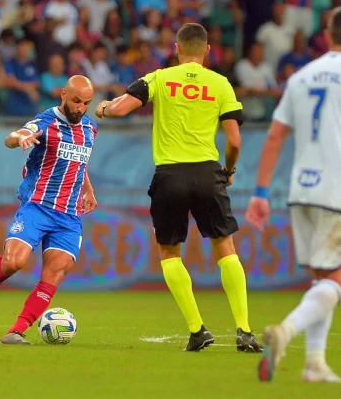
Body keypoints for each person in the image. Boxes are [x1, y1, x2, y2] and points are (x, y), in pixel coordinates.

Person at [246, 6, 341, 383]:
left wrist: (260, 192)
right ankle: (285, 331)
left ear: (327, 35)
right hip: (339, 192)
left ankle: (314, 364)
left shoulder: (301, 76)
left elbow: (275, 136)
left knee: (321, 280)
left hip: (301, 192)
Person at [93, 23, 262, 353]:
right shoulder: (221, 84)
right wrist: (227, 171)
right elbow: (234, 140)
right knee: (225, 248)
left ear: (176, 48)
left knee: (170, 253)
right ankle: (244, 330)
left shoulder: (159, 78)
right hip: (207, 173)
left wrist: (101, 108)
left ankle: (198, 330)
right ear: (208, 50)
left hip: (170, 175)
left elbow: (118, 109)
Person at [0, 76, 98, 344]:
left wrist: (88, 189)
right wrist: (20, 139)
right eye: (76, 101)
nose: (81, 108)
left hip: (69, 214)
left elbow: (79, 161)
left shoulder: (90, 129)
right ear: (63, 95)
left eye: (87, 103)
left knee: (56, 271)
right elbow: (14, 137)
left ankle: (16, 331)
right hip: (37, 205)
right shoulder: (46, 121)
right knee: (14, 262)